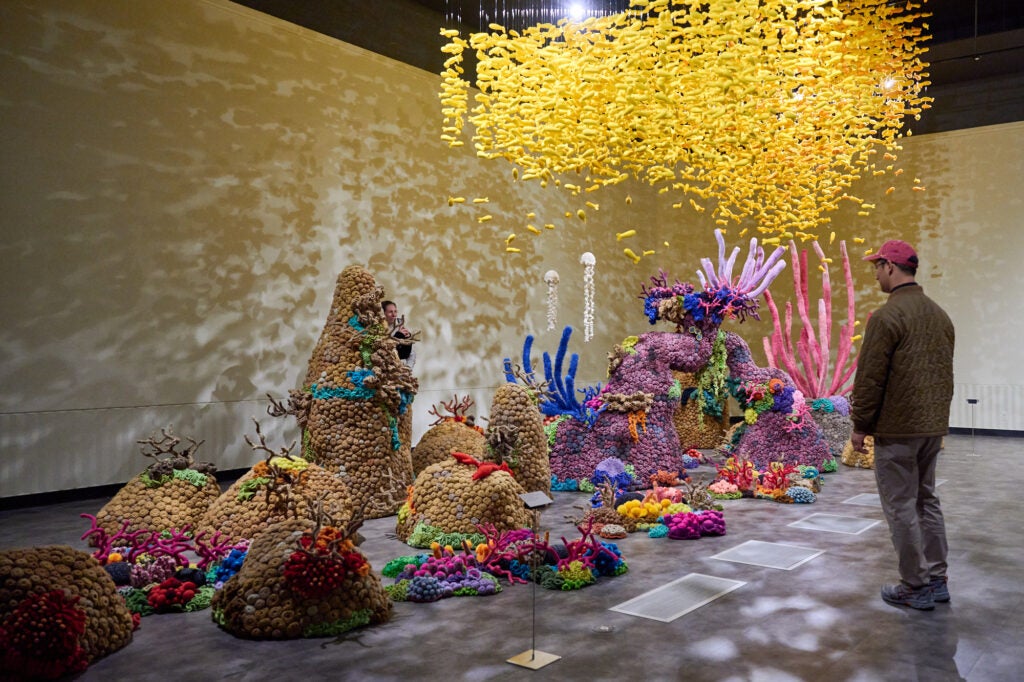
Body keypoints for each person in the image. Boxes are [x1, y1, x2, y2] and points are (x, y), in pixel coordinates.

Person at [851, 239, 955, 611]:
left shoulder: (886, 317)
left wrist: (860, 425)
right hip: (932, 428)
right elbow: (945, 374)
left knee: (900, 506)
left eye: (876, 267)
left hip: (897, 430)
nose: (875, 274)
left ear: (890, 268)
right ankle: (938, 579)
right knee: (927, 500)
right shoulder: (939, 314)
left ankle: (915, 585)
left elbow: (870, 378)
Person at [382, 300, 416, 370]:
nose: (394, 315)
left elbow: (410, 353)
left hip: (399, 358)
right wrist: (398, 335)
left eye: (395, 311)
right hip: (385, 359)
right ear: (384, 313)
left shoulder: (399, 322)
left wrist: (407, 337)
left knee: (411, 350)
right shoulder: (379, 326)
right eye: (390, 312)